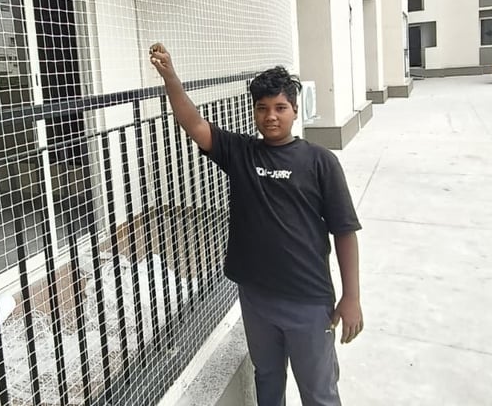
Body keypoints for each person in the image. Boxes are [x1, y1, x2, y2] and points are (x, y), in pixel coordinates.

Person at [149, 43, 363, 406]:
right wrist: (170, 77)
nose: (271, 116)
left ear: (296, 110)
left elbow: (344, 231)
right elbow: (194, 123)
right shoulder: (241, 152)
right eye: (262, 109)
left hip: (308, 301)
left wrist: (352, 297)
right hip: (256, 297)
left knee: (319, 391)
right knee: (267, 379)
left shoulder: (319, 162)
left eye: (280, 108)